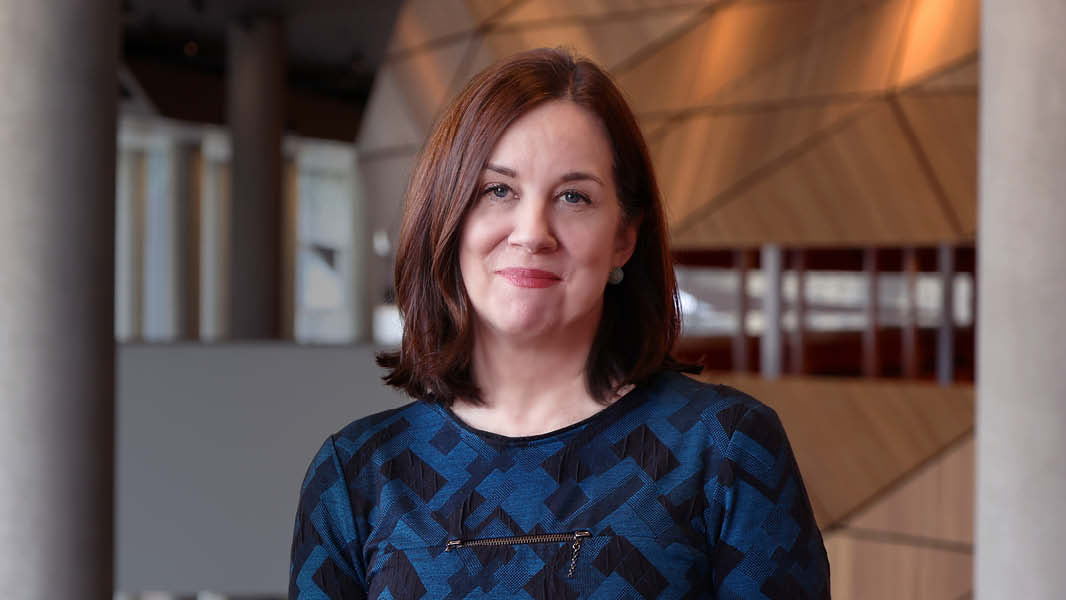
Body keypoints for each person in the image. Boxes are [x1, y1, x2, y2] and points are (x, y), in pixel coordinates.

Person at [290, 48, 830, 599]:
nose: (532, 233)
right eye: (498, 190)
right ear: (447, 217)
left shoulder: (724, 450)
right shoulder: (359, 474)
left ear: (624, 237)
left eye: (574, 197)